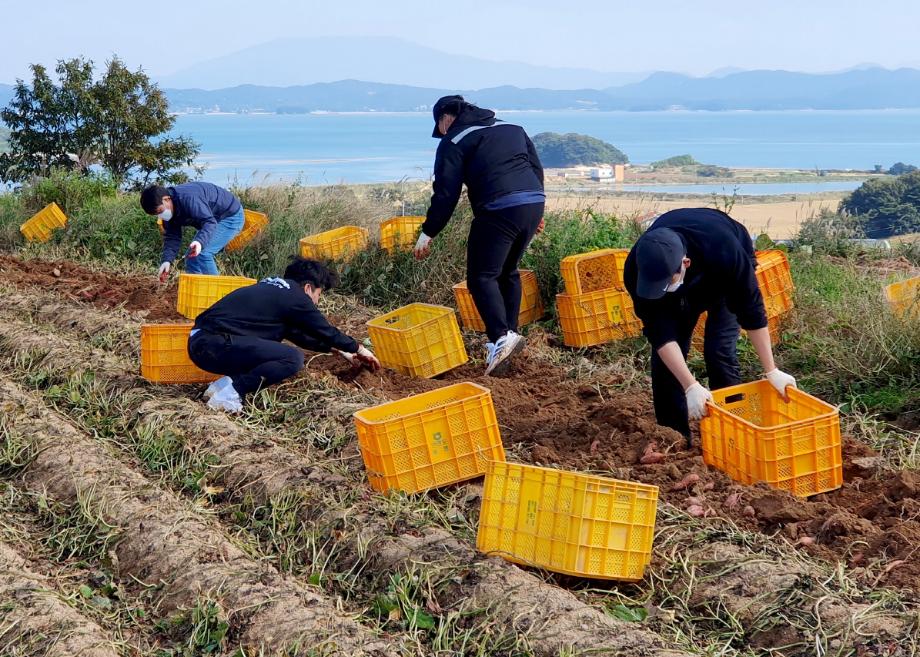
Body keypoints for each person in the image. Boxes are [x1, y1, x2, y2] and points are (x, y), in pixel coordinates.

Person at [623, 207, 797, 443]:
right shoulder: (636, 271)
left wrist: (771, 370)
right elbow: (660, 333)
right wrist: (690, 386)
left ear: (685, 263)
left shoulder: (724, 251)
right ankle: (674, 437)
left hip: (721, 273)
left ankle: (730, 432)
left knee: (719, 351)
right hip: (682, 290)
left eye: (667, 282)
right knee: (667, 364)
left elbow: (751, 310)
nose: (661, 288)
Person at [414, 95, 545, 376]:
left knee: (481, 276)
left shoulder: (456, 140)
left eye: (441, 126)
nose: (442, 133)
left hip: (499, 207)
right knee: (507, 272)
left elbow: (445, 193)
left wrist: (428, 231)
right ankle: (509, 337)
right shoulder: (513, 128)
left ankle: (500, 337)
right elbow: (535, 169)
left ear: (446, 118)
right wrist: (536, 210)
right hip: (533, 201)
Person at [188, 257, 380, 413]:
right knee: (292, 358)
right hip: (213, 344)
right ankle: (232, 393)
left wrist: (335, 349)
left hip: (202, 343)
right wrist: (359, 348)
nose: (317, 301)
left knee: (270, 348)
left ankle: (221, 387)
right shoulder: (296, 296)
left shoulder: (276, 290)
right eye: (318, 295)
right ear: (308, 288)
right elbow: (325, 330)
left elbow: (293, 332)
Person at [140, 182, 245, 279]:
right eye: (156, 214)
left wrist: (199, 242)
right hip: (211, 218)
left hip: (229, 215)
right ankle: (199, 290)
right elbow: (172, 237)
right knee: (192, 257)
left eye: (160, 211)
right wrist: (166, 261)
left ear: (167, 199)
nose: (160, 215)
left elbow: (209, 222)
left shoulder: (189, 198)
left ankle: (218, 295)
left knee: (204, 253)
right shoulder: (168, 211)